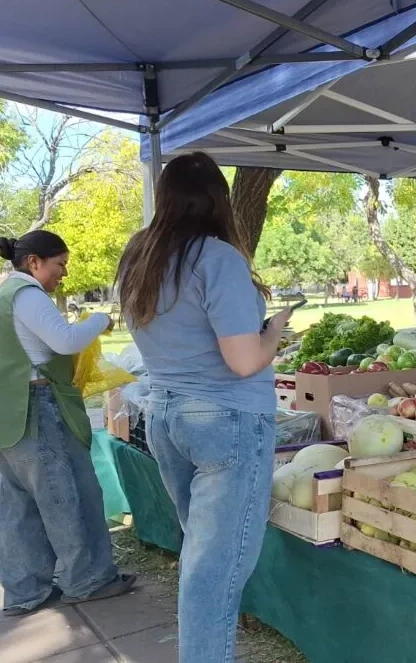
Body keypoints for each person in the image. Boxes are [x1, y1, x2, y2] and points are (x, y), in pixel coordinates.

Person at [117, 152, 288, 662]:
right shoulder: (217, 258)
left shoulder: (139, 256)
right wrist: (274, 332)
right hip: (226, 420)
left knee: (202, 559)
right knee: (213, 574)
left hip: (167, 414)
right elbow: (243, 361)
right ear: (219, 199)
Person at [0, 231, 136, 616]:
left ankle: (28, 589)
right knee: (67, 495)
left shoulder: (3, 296)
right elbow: (64, 341)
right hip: (38, 407)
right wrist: (98, 320)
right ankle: (88, 579)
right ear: (33, 262)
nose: (63, 273)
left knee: (15, 507)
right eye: (59, 264)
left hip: (7, 412)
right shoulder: (26, 295)